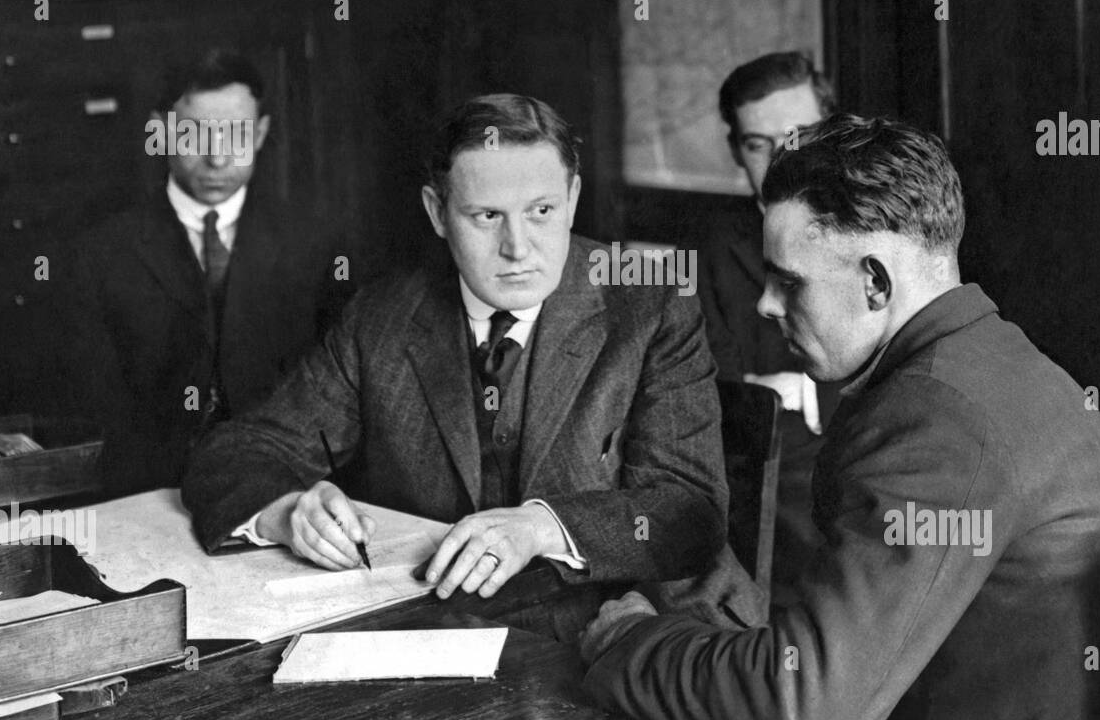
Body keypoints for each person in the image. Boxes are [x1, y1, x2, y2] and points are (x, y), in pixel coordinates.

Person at [581, 113, 1100, 720]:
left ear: (877, 284)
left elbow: (806, 713)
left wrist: (630, 643)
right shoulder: (987, 357)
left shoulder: (938, 425)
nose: (767, 304)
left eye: (790, 283)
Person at [182, 94, 760, 641]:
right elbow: (239, 450)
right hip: (450, 637)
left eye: (541, 211)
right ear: (437, 212)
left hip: (632, 628)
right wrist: (287, 512)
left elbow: (689, 510)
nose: (518, 247)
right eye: (487, 216)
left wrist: (540, 528)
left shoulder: (650, 302)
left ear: (573, 197)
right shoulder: (382, 315)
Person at [59, 49, 347, 496]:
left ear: (261, 133)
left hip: (285, 492)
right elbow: (93, 409)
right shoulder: (100, 252)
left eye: (235, 134)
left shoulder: (313, 245)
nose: (216, 158)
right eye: (194, 136)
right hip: (144, 498)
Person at [699, 51, 837, 596]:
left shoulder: (886, 231)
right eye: (758, 144)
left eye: (799, 137)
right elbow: (711, 392)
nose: (782, 159)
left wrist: (795, 390)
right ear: (737, 150)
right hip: (770, 472)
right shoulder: (709, 252)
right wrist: (771, 392)